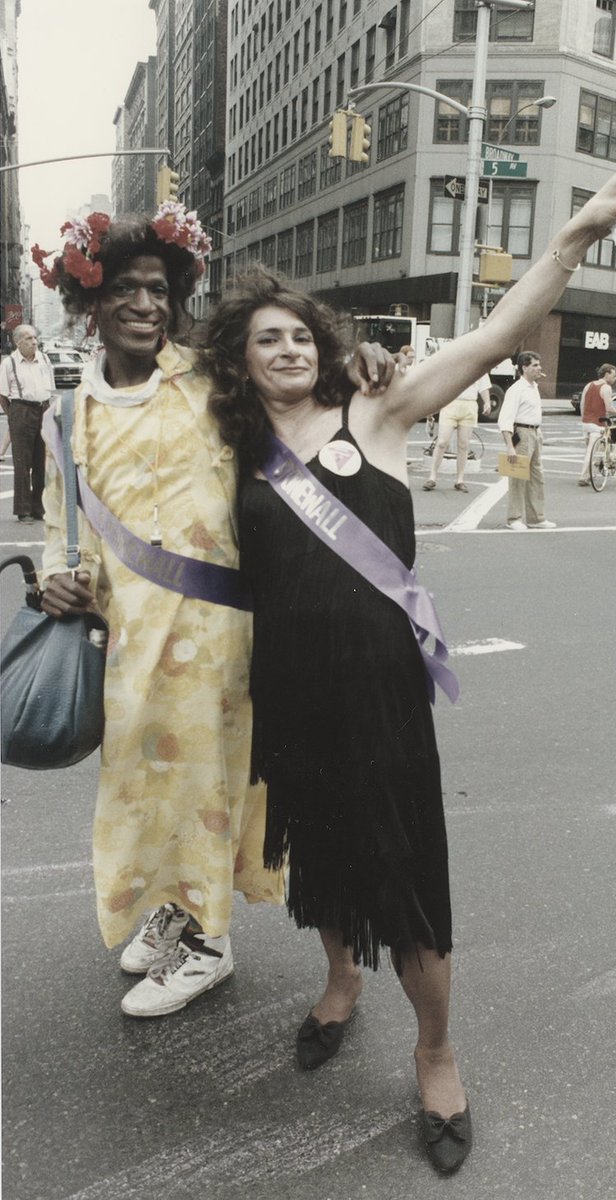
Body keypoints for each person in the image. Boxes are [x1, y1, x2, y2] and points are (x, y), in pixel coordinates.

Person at [201, 138, 616, 1172]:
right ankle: (340, 982)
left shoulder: (373, 409)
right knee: (317, 856)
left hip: (379, 697)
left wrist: (567, 241)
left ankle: (436, 1047)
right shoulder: (231, 453)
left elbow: (498, 332)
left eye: (296, 335)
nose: (284, 349)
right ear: (238, 362)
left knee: (406, 879)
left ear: (319, 345)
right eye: (263, 341)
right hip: (288, 693)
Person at [32, 207, 391, 1019]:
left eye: (158, 288)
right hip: (127, 641)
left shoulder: (208, 377)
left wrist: (354, 361)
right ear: (91, 299)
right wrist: (56, 578)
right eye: (124, 287)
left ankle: (207, 943)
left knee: (203, 785)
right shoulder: (67, 412)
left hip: (223, 635)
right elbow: (66, 524)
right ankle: (169, 917)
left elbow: (299, 384)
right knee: (143, 785)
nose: (144, 304)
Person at [0, 324, 55, 523]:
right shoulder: (9, 363)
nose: (34, 342)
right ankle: (23, 510)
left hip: (42, 409)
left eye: (35, 338)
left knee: (42, 462)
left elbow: (50, 389)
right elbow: (3, 396)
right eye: (29, 339)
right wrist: (15, 415)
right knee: (22, 463)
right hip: (20, 409)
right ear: (18, 343)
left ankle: (39, 508)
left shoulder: (45, 359)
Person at [498, 353, 554, 528]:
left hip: (535, 433)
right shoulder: (516, 389)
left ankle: (536, 518)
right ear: (524, 367)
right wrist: (510, 446)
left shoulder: (533, 387)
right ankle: (514, 518)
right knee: (517, 477)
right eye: (535, 365)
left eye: (539, 365)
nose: (539, 368)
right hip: (521, 433)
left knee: (537, 477)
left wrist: (539, 433)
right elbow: (505, 419)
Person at [422, 374, 491, 493]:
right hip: (450, 403)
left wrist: (487, 402)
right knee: (442, 442)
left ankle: (460, 480)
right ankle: (432, 477)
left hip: (469, 405)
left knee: (463, 445)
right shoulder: (454, 360)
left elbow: (483, 386)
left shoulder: (479, 363)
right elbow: (440, 385)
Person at [577, 363, 616, 487]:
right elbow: (609, 408)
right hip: (598, 424)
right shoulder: (606, 388)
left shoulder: (589, 385)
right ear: (607, 374)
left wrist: (584, 418)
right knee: (592, 452)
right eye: (614, 376)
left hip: (586, 423)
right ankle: (584, 476)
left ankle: (590, 474)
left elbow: (582, 404)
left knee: (591, 450)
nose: (615, 379)